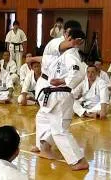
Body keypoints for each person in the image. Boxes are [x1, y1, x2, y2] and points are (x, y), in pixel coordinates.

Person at [36, 29, 89, 171]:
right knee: (56, 128)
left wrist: (62, 80)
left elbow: (78, 72)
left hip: (61, 95)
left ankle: (79, 160)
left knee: (60, 130)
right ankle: (45, 146)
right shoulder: (64, 54)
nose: (65, 40)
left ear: (74, 41)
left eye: (68, 38)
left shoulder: (71, 55)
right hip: (57, 95)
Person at [30, 20, 83, 154]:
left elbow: (76, 72)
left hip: (57, 86)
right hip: (47, 82)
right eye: (69, 35)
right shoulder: (57, 42)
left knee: (49, 118)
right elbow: (61, 46)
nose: (72, 39)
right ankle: (42, 145)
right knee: (44, 116)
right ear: (65, 33)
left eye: (75, 36)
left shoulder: (73, 52)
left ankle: (44, 145)